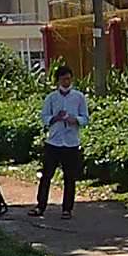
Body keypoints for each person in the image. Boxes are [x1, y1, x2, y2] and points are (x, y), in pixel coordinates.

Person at [30, 65, 89, 220]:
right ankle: (40, 206)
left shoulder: (79, 97)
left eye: (68, 79)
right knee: (46, 176)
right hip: (54, 142)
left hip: (71, 142)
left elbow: (85, 118)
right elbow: (44, 117)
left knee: (70, 177)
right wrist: (55, 118)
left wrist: (75, 119)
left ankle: (67, 209)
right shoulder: (51, 98)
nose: (66, 82)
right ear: (58, 81)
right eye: (63, 79)